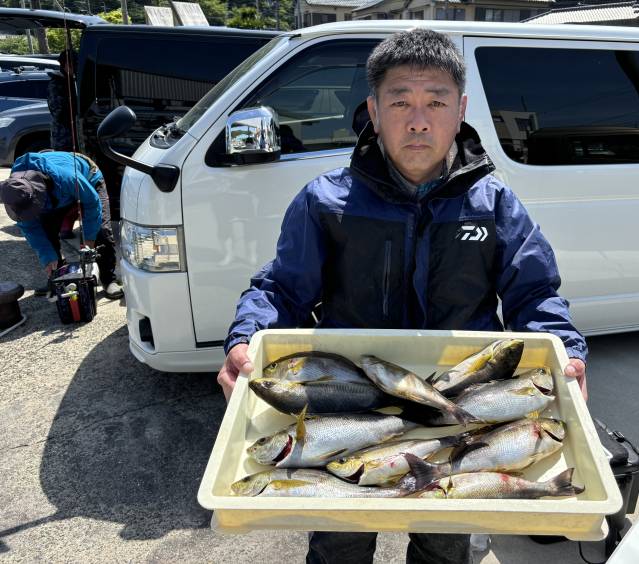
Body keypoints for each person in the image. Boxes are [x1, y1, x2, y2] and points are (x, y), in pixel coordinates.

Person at [218, 29, 588, 564]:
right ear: (373, 110)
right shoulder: (325, 201)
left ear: (460, 111)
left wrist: (566, 352)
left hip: (463, 407)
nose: (418, 120)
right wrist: (246, 339)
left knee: (444, 543)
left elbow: (534, 294)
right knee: (340, 542)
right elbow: (281, 289)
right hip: (349, 405)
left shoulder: (495, 204)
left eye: (435, 102)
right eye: (399, 102)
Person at [0, 151, 124, 300]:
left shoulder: (67, 178)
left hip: (89, 179)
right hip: (55, 197)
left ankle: (108, 279)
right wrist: (48, 256)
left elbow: (92, 203)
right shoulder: (16, 194)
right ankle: (58, 278)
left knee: (101, 231)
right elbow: (30, 228)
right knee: (47, 235)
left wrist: (90, 238)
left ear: (38, 193)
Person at [47, 48, 80, 239]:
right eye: (73, 64)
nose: (75, 68)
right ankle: (64, 226)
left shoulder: (73, 82)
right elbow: (59, 112)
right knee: (67, 183)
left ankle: (70, 222)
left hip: (78, 140)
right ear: (65, 64)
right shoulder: (57, 84)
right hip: (65, 142)